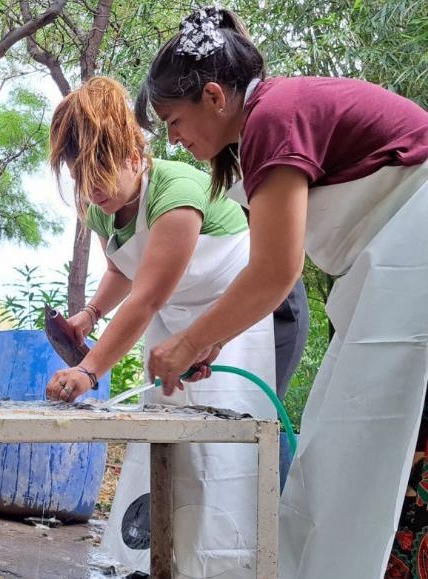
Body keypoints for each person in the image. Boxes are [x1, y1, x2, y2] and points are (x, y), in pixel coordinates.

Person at [136, 7, 428, 577]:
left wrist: (189, 342)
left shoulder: (273, 116)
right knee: (348, 435)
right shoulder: (263, 125)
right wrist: (211, 341)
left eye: (173, 119)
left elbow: (274, 273)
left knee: (372, 435)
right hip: (393, 264)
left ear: (216, 97)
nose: (173, 137)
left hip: (414, 250)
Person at [43, 75, 278, 577]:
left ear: (134, 154)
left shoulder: (178, 190)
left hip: (239, 310)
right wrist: (89, 316)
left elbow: (146, 297)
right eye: (81, 178)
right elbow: (123, 269)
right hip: (173, 318)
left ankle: (226, 567)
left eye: (101, 173)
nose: (93, 190)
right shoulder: (102, 206)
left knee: (222, 447)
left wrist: (87, 371)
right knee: (166, 441)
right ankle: (157, 563)